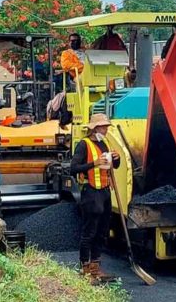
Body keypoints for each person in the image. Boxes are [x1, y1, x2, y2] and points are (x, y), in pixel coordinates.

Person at [69, 113, 121, 284]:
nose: (106, 130)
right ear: (95, 128)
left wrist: (116, 159)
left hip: (105, 192)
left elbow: (113, 166)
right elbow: (74, 168)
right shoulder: (84, 145)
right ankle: (85, 268)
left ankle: (95, 267)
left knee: (102, 231)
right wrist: (94, 163)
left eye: (106, 127)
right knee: (89, 232)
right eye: (103, 127)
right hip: (91, 192)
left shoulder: (104, 143)